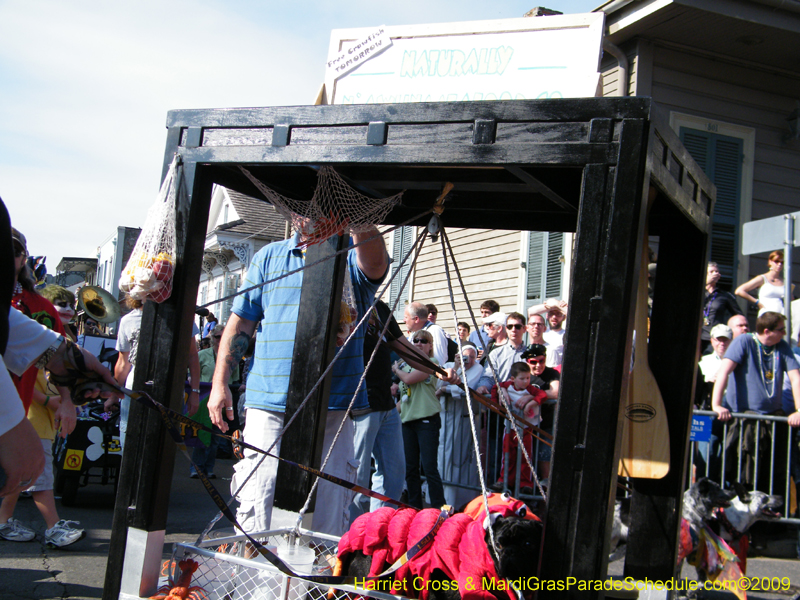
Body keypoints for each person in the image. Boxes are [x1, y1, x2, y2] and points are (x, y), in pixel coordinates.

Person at [207, 225, 388, 537]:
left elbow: (374, 265)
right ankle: (262, 583)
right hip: (269, 401)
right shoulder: (269, 256)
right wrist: (219, 381)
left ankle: (316, 583)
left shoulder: (353, 253)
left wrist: (360, 219)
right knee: (258, 505)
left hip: (334, 406)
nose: (310, 209)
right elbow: (241, 321)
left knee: (326, 516)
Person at [712, 311, 800, 494]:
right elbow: (723, 372)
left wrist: (799, 410)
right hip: (747, 421)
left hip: (773, 420)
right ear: (767, 331)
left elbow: (796, 379)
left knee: (773, 472)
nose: (785, 333)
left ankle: (770, 517)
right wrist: (717, 405)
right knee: (746, 472)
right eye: (781, 330)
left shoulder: (781, 346)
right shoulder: (744, 342)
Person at [350, 300, 412, 521]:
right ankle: (349, 539)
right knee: (356, 478)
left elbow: (404, 346)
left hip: (386, 404)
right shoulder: (348, 300)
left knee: (393, 475)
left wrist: (437, 371)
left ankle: (380, 528)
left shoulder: (381, 307)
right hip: (360, 405)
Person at [112, 295, 200, 449]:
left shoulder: (182, 317)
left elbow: (192, 356)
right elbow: (122, 363)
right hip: (134, 391)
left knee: (164, 445)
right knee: (129, 442)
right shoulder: (128, 320)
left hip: (170, 390)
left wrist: (195, 392)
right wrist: (113, 394)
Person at [392, 330, 446, 509]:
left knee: (430, 468)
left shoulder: (432, 363)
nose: (419, 343)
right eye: (415, 340)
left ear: (431, 345)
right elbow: (405, 396)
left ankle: (439, 507)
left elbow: (409, 379)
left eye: (424, 341)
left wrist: (395, 371)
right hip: (408, 421)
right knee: (410, 468)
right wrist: (390, 414)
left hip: (427, 421)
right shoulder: (405, 365)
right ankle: (414, 507)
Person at [436, 343, 483, 507]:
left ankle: (458, 499)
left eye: (471, 357)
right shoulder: (449, 366)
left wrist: (445, 390)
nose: (467, 360)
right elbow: (437, 385)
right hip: (444, 416)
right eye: (464, 356)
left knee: (458, 458)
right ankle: (440, 496)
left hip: (461, 419)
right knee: (442, 455)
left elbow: (464, 388)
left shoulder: (478, 369)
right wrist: (456, 367)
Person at [190, 324, 239, 479]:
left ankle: (209, 469)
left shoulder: (233, 357)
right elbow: (191, 375)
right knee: (202, 436)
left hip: (223, 403)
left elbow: (235, 380)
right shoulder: (203, 355)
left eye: (225, 337)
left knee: (216, 439)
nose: (221, 340)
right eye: (218, 337)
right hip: (204, 400)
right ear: (213, 338)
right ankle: (196, 468)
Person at [490, 361, 547, 493]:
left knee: (526, 455)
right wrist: (494, 403)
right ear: (513, 379)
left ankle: (525, 482)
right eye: (522, 378)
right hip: (510, 427)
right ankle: (504, 480)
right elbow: (495, 387)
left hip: (527, 429)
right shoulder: (507, 385)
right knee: (507, 454)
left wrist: (530, 403)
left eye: (528, 378)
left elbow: (542, 395)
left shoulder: (530, 389)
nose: (526, 381)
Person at [521, 343, 561, 480]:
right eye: (533, 362)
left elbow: (555, 392)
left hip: (546, 428)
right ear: (527, 362)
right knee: (524, 466)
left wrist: (533, 395)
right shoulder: (522, 375)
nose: (538, 365)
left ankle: (544, 501)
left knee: (545, 469)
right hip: (525, 427)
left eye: (541, 361)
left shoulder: (552, 373)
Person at [476, 312, 528, 394]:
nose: (513, 329)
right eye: (510, 326)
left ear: (524, 329)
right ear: (506, 329)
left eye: (517, 326)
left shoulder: (530, 354)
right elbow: (488, 377)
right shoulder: (495, 354)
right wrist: (483, 386)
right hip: (500, 401)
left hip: (525, 401)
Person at [701, 262, 743, 354]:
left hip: (713, 337)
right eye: (711, 271)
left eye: (717, 272)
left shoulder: (724, 295)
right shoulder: (700, 291)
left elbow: (739, 316)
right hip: (696, 336)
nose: (715, 274)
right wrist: (706, 283)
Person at [735, 250, 791, 317]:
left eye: (782, 262)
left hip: (782, 317)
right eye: (776, 261)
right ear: (770, 262)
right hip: (766, 316)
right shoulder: (762, 278)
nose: (779, 264)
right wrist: (757, 302)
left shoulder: (785, 282)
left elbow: (791, 300)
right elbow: (739, 291)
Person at [404, 302, 450, 366]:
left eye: (406, 317)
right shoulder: (415, 333)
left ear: (416, 319)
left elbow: (439, 362)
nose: (404, 320)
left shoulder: (434, 330)